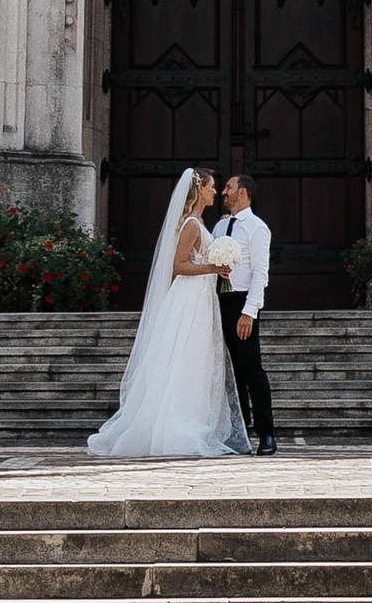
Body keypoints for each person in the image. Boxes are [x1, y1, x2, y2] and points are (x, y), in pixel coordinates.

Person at [86, 168, 250, 462]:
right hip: (189, 300)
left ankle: (193, 421)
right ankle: (179, 427)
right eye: (212, 186)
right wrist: (214, 268)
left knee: (199, 361)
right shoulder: (190, 224)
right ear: (199, 189)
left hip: (202, 299)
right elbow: (179, 266)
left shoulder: (200, 222)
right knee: (186, 358)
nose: (216, 192)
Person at [212, 171, 276, 455]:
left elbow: (260, 273)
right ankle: (238, 433)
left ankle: (266, 434)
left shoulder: (256, 227)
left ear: (243, 192)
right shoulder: (219, 226)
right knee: (230, 372)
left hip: (242, 303)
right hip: (218, 302)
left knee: (251, 369)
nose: (224, 192)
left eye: (228, 187)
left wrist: (249, 312)